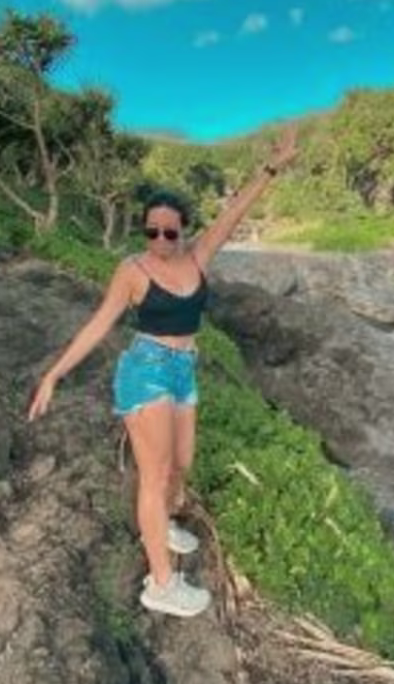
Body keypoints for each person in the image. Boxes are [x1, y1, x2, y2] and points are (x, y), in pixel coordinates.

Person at [27, 128, 299, 617]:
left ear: (184, 231)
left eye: (169, 232)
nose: (159, 240)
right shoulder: (132, 270)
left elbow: (234, 213)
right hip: (146, 370)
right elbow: (97, 325)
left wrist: (273, 167)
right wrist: (53, 374)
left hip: (183, 371)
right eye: (150, 231)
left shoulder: (198, 256)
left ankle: (164, 523)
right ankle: (161, 583)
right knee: (153, 477)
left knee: (182, 464)